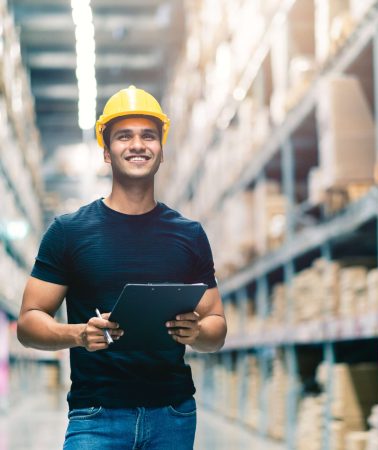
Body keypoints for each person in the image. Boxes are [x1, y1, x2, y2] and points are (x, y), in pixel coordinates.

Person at [17, 85, 227, 450]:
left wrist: (196, 332)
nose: (137, 145)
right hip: (95, 418)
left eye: (148, 135)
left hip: (173, 416)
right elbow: (28, 322)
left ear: (161, 150)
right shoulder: (69, 232)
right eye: (123, 136)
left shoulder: (190, 235)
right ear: (106, 151)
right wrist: (79, 334)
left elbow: (217, 328)